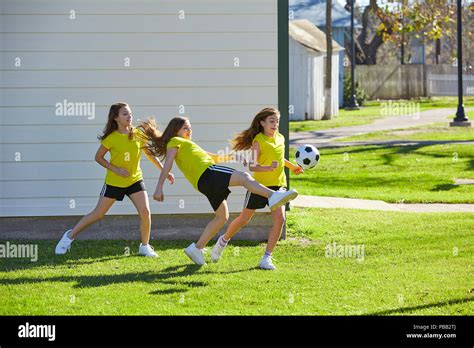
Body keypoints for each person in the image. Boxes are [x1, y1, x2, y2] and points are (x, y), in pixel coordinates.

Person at [138, 116, 298, 265]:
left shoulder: (188, 145)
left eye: (190, 128)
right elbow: (168, 163)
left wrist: (232, 157)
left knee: (222, 217)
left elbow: (213, 157)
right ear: (175, 130)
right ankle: (273, 195)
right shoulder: (175, 141)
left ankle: (197, 248)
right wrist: (159, 187)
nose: (189, 130)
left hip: (203, 183)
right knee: (244, 177)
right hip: (209, 173)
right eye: (185, 128)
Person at [55, 102, 175, 256]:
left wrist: (164, 170)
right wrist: (116, 169)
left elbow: (149, 154)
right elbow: (98, 157)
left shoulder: (138, 134)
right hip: (114, 182)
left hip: (134, 180)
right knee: (98, 214)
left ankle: (145, 246)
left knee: (145, 212)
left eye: (130, 113)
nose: (129, 116)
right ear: (116, 118)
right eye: (125, 114)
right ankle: (68, 237)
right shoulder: (111, 138)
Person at [211, 108, 303, 270]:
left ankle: (266, 258)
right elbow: (253, 166)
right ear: (262, 123)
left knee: (280, 219)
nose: (275, 125)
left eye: (277, 121)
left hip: (278, 185)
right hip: (259, 187)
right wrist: (268, 167)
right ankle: (223, 240)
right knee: (244, 219)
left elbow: (280, 157)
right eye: (271, 121)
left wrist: (292, 166)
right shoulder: (258, 141)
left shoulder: (280, 138)